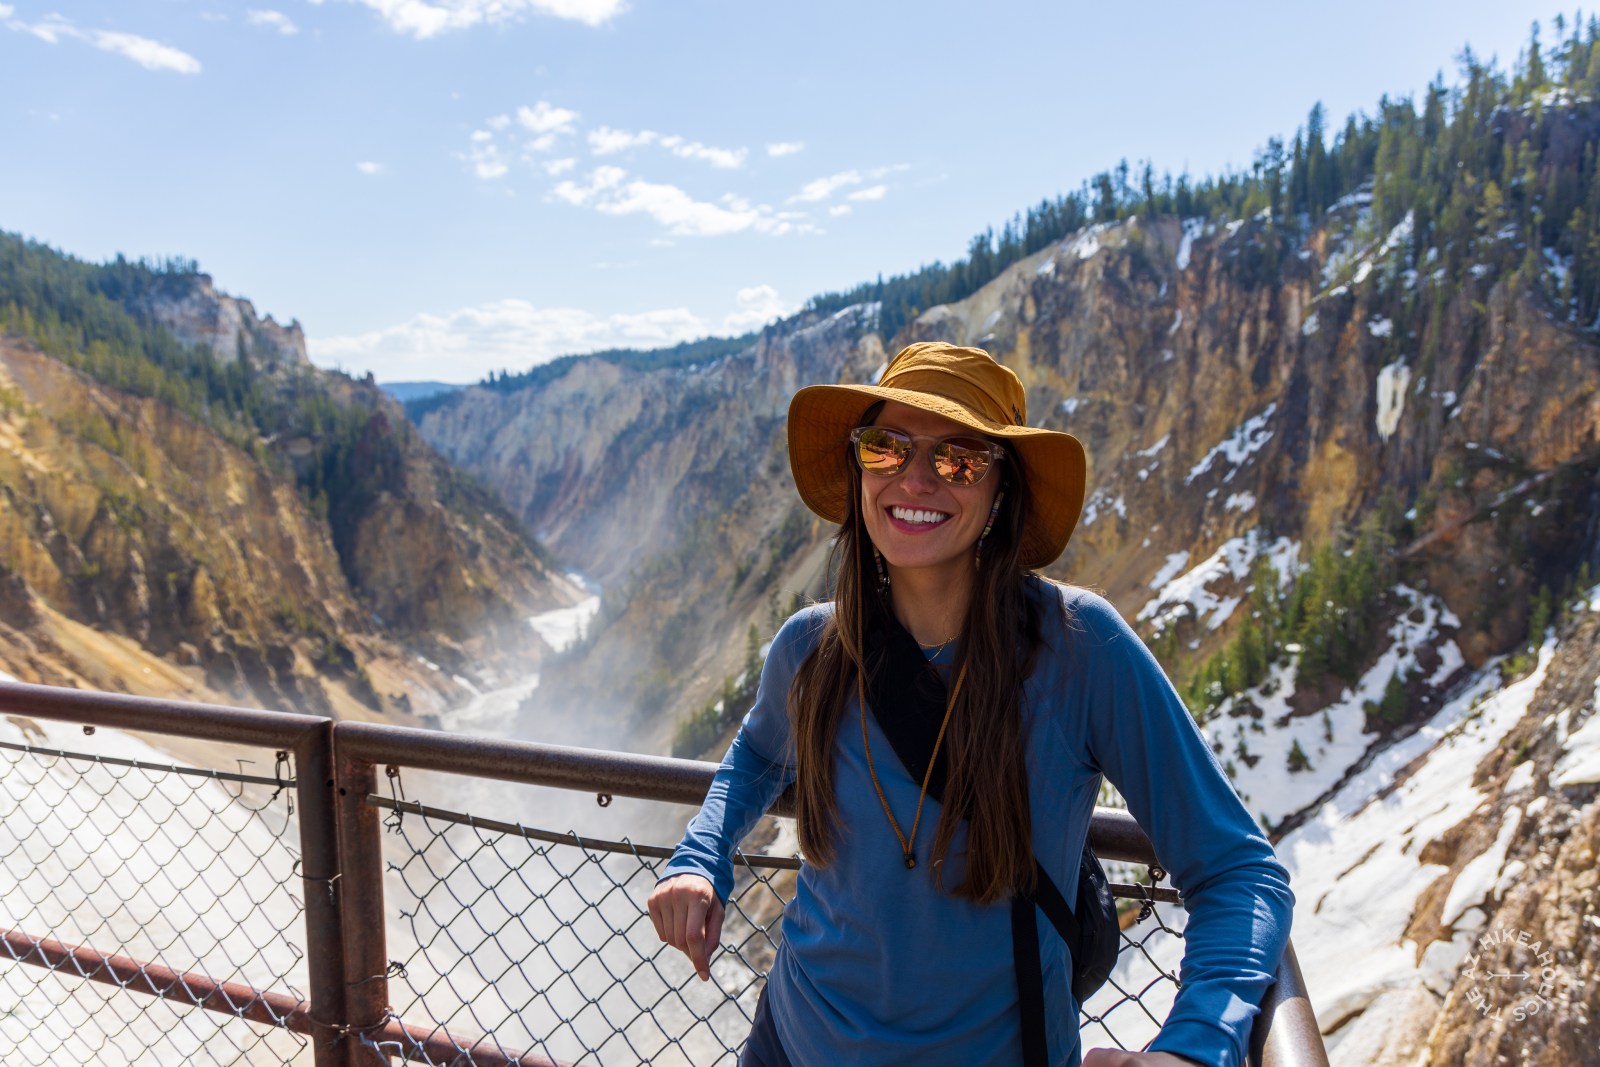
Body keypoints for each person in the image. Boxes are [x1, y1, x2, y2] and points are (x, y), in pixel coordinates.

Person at [648, 342, 1294, 1067]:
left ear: (1002, 492)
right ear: (860, 466)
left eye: (959, 459)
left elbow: (1239, 869)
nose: (915, 478)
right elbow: (760, 754)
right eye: (886, 448)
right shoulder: (813, 648)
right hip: (788, 1045)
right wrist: (701, 857)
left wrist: (1195, 1046)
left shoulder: (1080, 649)